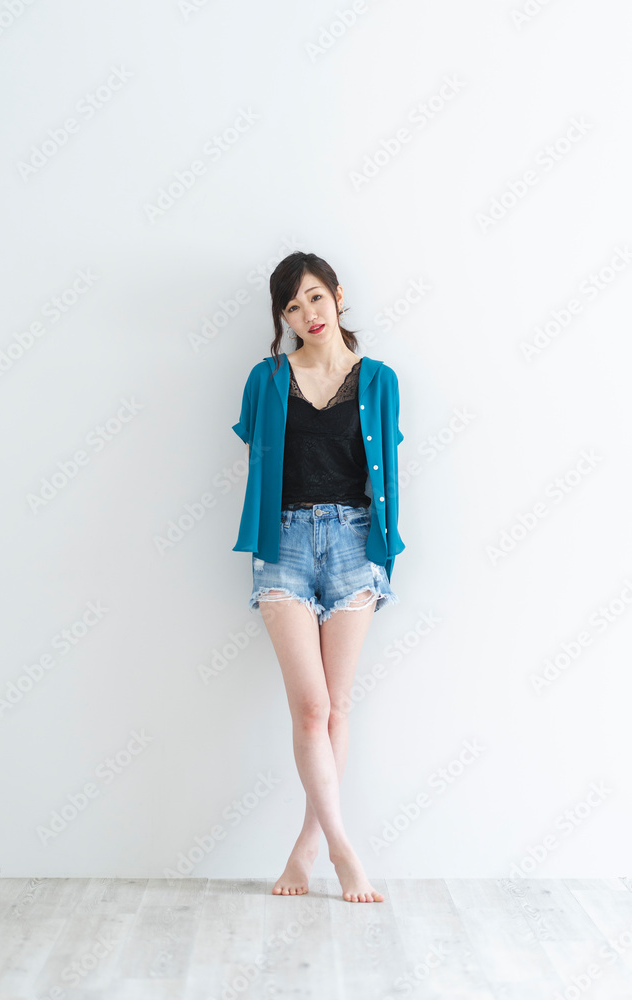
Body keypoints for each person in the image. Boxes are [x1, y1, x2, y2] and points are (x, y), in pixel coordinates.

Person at [231, 251, 405, 902]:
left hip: (354, 543)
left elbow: (386, 469)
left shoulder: (379, 379)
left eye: (314, 297)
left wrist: (383, 548)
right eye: (291, 305)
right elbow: (257, 450)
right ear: (283, 316)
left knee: (337, 707)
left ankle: (305, 848)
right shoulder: (267, 378)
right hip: (283, 545)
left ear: (337, 294)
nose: (307, 313)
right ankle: (341, 849)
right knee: (309, 710)